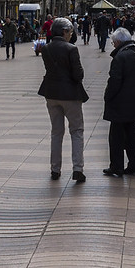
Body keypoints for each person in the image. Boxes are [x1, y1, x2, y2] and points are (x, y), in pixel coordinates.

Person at [38, 18, 88, 183]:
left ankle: (55, 168)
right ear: (65, 32)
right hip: (70, 95)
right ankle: (77, 168)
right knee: (76, 130)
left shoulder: (46, 48)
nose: (71, 35)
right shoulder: (71, 49)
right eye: (70, 32)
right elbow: (78, 75)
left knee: (56, 132)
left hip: (51, 93)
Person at [102, 27, 135, 178]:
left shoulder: (120, 57)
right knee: (131, 135)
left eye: (113, 42)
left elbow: (114, 82)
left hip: (120, 105)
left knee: (116, 137)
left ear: (118, 42)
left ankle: (116, 166)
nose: (113, 45)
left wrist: (107, 97)